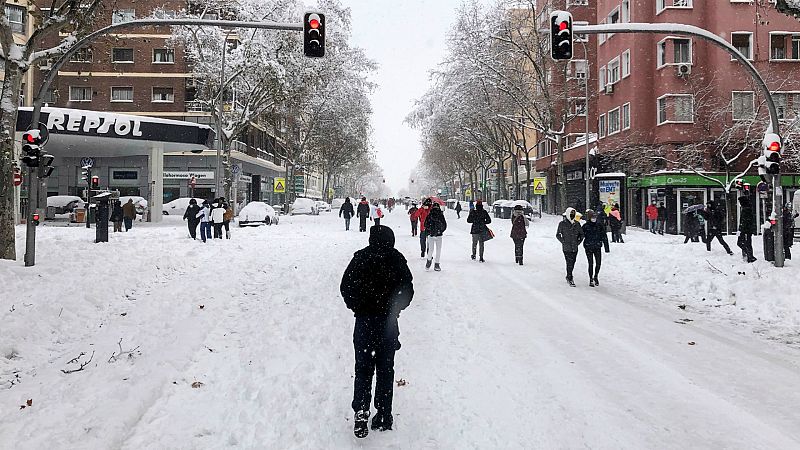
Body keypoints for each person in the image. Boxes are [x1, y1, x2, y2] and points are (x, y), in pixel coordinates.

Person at [340, 225, 414, 438]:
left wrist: (358, 307)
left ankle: (361, 410)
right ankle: (383, 413)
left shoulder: (360, 258)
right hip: (388, 324)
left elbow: (346, 287)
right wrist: (395, 308)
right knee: (385, 369)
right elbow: (408, 289)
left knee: (363, 369)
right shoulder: (397, 259)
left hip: (364, 323)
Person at [556, 207, 584, 287]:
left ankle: (569, 275)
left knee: (573, 262)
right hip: (566, 247)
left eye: (573, 214)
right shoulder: (562, 224)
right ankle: (570, 277)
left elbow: (581, 234)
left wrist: (578, 242)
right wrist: (563, 241)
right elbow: (558, 234)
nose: (572, 215)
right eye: (571, 214)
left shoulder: (577, 224)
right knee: (569, 262)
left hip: (574, 247)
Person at [582, 209, 610, 287]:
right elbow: (580, 235)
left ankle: (596, 276)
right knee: (590, 263)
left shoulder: (599, 225)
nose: (594, 219)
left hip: (597, 246)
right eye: (592, 217)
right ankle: (591, 278)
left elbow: (604, 236)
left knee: (598, 263)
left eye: (595, 217)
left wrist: (606, 247)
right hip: (588, 247)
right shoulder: (585, 226)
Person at [424, 202, 447, 271]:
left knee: (431, 250)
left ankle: (429, 261)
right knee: (438, 250)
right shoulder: (441, 215)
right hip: (438, 235)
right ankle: (436, 264)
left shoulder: (429, 215)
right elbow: (445, 225)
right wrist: (440, 231)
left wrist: (429, 231)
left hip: (431, 235)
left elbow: (425, 225)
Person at [736, 196, 757, 263]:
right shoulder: (748, 208)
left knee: (742, 243)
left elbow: (744, 221)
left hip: (745, 230)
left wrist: (741, 229)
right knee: (747, 243)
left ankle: (750, 256)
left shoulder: (745, 210)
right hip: (747, 230)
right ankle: (750, 256)